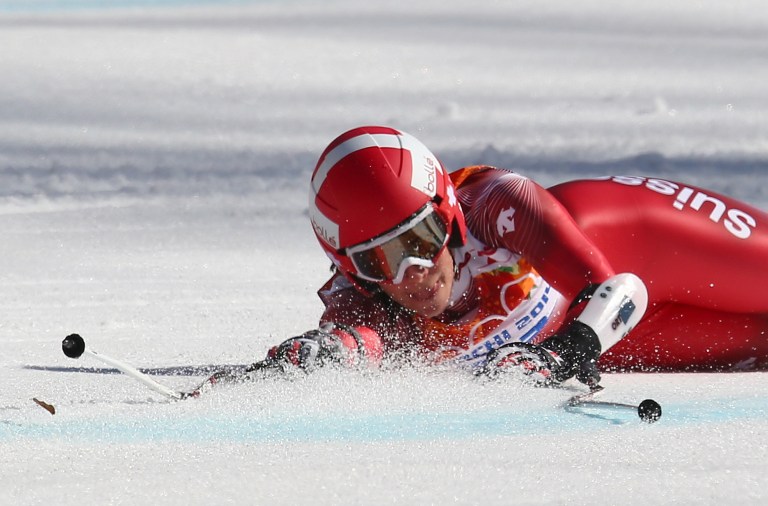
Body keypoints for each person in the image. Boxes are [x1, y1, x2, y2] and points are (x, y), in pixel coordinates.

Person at [259, 125, 768, 387]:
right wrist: (321, 354)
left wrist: (566, 352)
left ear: (448, 212)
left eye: (419, 239)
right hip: (603, 336)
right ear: (352, 270)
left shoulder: (497, 203)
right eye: (380, 261)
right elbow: (356, 340)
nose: (413, 273)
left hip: (641, 247)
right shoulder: (364, 297)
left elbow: (616, 289)